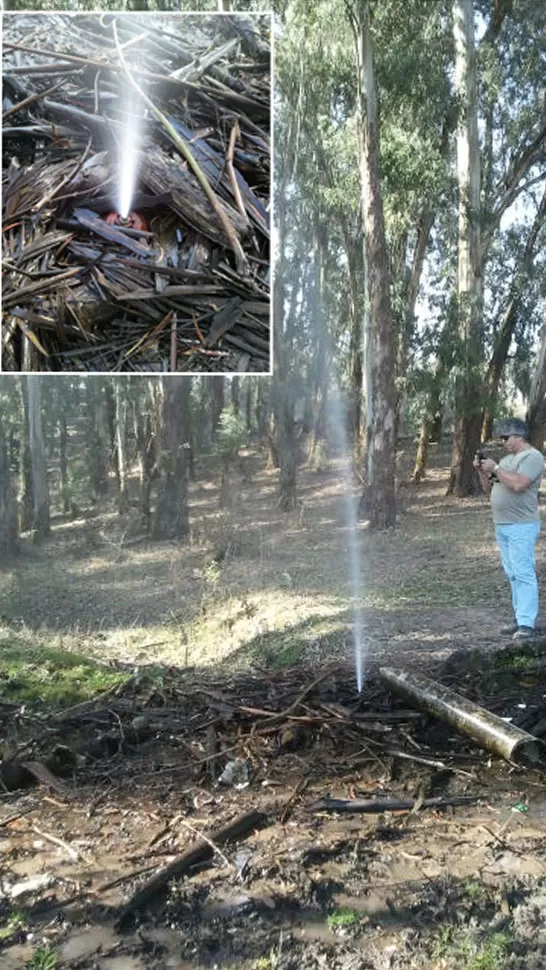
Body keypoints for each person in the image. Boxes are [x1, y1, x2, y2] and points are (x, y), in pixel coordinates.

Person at [473, 418, 544, 639]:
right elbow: (490, 487)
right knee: (512, 573)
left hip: (521, 524)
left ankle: (526, 623)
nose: (503, 442)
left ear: (519, 436)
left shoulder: (533, 457)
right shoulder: (507, 460)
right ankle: (520, 617)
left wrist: (495, 467)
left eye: (506, 437)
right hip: (502, 524)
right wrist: (481, 470)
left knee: (523, 572)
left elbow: (518, 484)